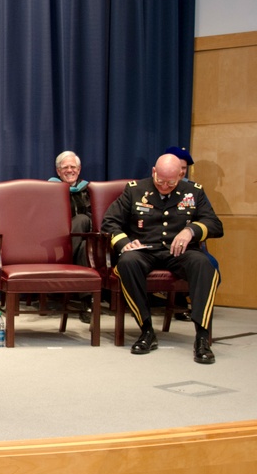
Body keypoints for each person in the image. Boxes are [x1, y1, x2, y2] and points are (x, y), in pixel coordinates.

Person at [101, 153, 224, 364]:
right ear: (153, 172)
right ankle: (146, 330)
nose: (165, 186)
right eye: (160, 181)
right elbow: (110, 222)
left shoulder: (194, 192)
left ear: (181, 174)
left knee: (204, 265)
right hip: (144, 250)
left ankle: (202, 338)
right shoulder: (135, 190)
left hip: (180, 252)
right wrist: (124, 243)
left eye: (171, 182)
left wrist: (191, 231)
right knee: (127, 263)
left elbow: (215, 225)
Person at [49, 150, 93, 321]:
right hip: (55, 240)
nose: (69, 170)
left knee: (83, 236)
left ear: (79, 169)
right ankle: (87, 302)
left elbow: (96, 217)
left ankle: (65, 262)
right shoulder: (49, 190)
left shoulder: (89, 190)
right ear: (58, 171)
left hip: (86, 239)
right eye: (65, 167)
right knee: (82, 244)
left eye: (73, 167)